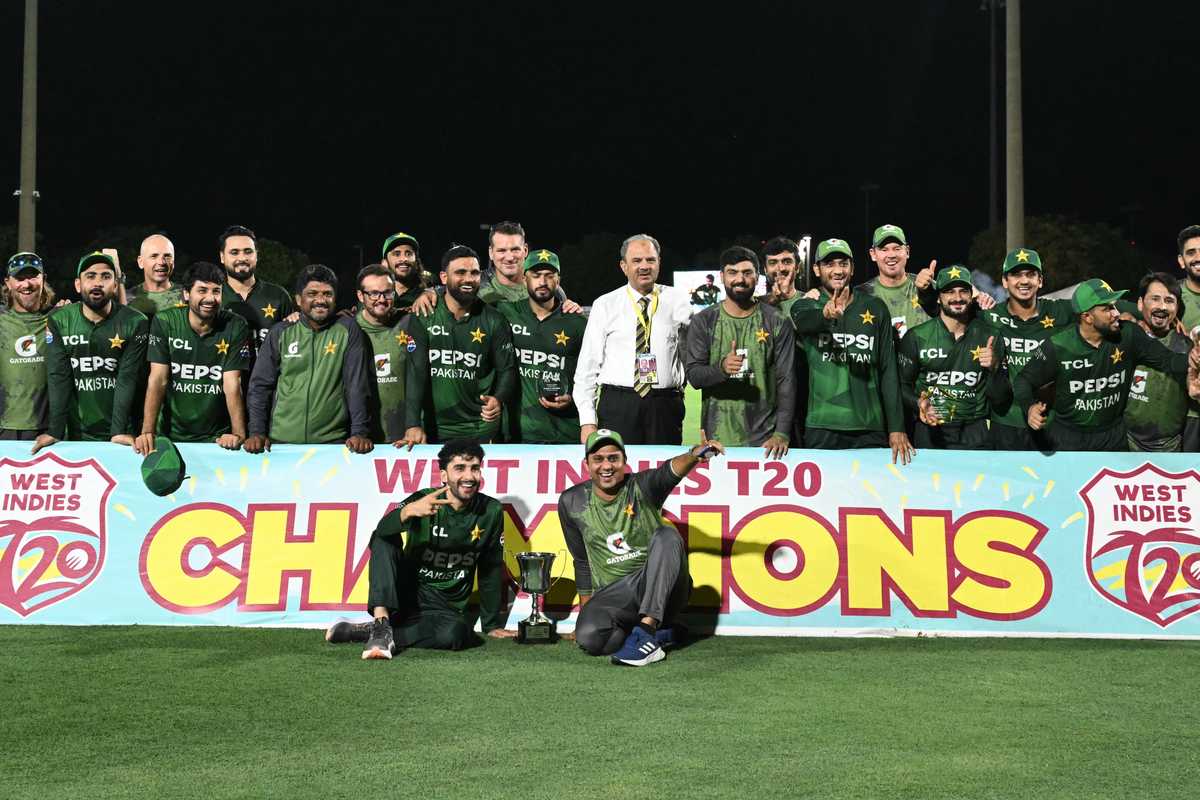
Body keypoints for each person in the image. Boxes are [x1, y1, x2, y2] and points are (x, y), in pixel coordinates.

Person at [326, 440, 513, 659]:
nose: (469, 477)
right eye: (459, 468)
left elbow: (490, 567)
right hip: (407, 593)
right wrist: (407, 512)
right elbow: (382, 531)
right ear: (444, 475)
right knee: (383, 538)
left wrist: (491, 625)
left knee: (457, 635)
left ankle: (375, 632)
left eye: (475, 468)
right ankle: (381, 619)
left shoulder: (491, 510)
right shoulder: (422, 499)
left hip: (444, 608)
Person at [561, 428, 724, 666]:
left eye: (613, 458)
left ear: (624, 461)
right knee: (591, 639)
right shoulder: (571, 501)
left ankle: (646, 632)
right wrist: (584, 615)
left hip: (662, 588)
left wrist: (694, 455)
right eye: (598, 459)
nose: (606, 466)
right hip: (617, 596)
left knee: (667, 536)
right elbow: (582, 561)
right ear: (586, 464)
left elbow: (670, 471)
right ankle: (661, 635)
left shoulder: (643, 485)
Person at [1013, 279, 1199, 452]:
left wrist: (1193, 359)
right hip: (1069, 439)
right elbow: (1023, 380)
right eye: (1107, 308)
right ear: (1087, 316)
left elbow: (1169, 360)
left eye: (1115, 306)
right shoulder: (1058, 345)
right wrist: (1029, 407)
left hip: (1113, 438)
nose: (1116, 313)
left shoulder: (1129, 335)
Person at [790, 238, 914, 464]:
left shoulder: (875, 307)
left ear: (852, 268)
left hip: (870, 426)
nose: (838, 270)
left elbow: (888, 369)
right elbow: (805, 322)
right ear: (817, 269)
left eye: (843, 263)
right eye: (829, 264)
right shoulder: (806, 304)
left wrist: (896, 427)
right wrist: (825, 316)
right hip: (823, 425)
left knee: (870, 497)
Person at [574, 233, 693, 445]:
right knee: (618, 473)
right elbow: (587, 367)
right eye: (636, 261)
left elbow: (695, 347)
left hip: (665, 404)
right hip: (618, 404)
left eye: (650, 259)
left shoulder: (678, 300)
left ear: (659, 263)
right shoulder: (605, 304)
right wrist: (588, 422)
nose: (644, 266)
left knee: (665, 473)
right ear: (624, 266)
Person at [244, 265, 372, 453]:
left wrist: (360, 432)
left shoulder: (348, 330)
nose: (320, 300)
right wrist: (256, 431)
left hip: (332, 444)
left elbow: (357, 386)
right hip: (280, 444)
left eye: (327, 294)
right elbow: (260, 386)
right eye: (312, 293)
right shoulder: (280, 332)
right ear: (298, 299)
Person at [33, 252, 149, 453]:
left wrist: (118, 431)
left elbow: (127, 378)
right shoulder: (59, 320)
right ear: (78, 284)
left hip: (121, 432)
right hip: (75, 433)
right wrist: (55, 431)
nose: (97, 283)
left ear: (115, 285)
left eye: (106, 277)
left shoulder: (135, 322)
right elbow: (58, 377)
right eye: (90, 276)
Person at [685, 246, 794, 457]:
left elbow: (786, 380)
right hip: (717, 441)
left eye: (747, 273)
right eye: (732, 273)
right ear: (722, 276)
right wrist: (722, 370)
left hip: (766, 442)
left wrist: (782, 432)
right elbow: (694, 377)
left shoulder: (777, 321)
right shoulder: (704, 321)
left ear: (757, 276)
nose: (740, 279)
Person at [133, 261, 252, 454]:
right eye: (202, 290)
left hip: (217, 438)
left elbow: (232, 383)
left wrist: (238, 434)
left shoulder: (235, 325)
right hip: (170, 436)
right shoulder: (165, 321)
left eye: (216, 291)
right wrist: (147, 431)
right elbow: (158, 380)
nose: (210, 298)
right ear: (187, 294)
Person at [410, 245, 516, 442]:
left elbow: (507, 369)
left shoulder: (494, 319)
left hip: (479, 429)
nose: (468, 279)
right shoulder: (424, 315)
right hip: (432, 430)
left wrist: (498, 398)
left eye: (474, 273)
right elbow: (415, 372)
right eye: (460, 272)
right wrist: (412, 423)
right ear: (443, 277)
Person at [898, 266, 1009, 450]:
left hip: (976, 432)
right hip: (930, 430)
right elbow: (901, 385)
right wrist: (919, 403)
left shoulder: (989, 335)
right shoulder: (917, 337)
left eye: (963, 291)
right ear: (938, 298)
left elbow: (1001, 399)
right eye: (949, 291)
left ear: (971, 296)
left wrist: (995, 367)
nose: (957, 298)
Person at [495, 249, 587, 443]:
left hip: (564, 434)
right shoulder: (505, 313)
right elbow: (463, 300)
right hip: (517, 434)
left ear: (558, 280)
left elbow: (591, 376)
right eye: (536, 276)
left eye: (549, 276)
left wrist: (572, 398)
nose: (543, 282)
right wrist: (429, 293)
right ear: (523, 278)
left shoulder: (577, 322)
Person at [353, 264, 427, 447]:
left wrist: (432, 292)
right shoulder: (348, 329)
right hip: (362, 439)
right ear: (360, 296)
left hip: (406, 438)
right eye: (374, 293)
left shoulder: (410, 322)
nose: (381, 299)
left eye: (387, 293)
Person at [1124, 273, 1193, 452]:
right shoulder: (1124, 338)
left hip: (1168, 446)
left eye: (1169, 301)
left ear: (1177, 308)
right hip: (1125, 440)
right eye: (1155, 299)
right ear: (1140, 304)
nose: (1162, 307)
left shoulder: (1186, 347)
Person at [0, 252, 56, 440]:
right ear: (8, 282)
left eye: (32, 276)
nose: (27, 284)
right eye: (19, 278)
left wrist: (118, 280)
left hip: (48, 430)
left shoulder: (60, 319)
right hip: (3, 427)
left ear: (43, 279)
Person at [218, 225, 295, 352]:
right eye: (234, 252)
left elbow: (291, 343)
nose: (242, 258)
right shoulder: (212, 297)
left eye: (248, 251)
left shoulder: (278, 296)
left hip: (267, 372)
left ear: (257, 255)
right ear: (222, 257)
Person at [857, 224, 936, 338]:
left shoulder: (928, 287)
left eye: (897, 249)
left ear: (907, 251)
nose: (891, 255)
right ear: (873, 254)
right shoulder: (860, 294)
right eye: (884, 249)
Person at [1175, 224, 1200, 450]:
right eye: (1191, 252)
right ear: (1182, 261)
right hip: (1190, 412)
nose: (1198, 257)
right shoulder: (1171, 299)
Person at [126, 234, 184, 318]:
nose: (161, 262)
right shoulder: (127, 298)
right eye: (154, 256)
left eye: (167, 256)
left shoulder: (187, 296)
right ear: (140, 262)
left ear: (173, 262)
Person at [380, 231, 431, 313]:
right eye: (397, 254)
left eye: (409, 254)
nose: (404, 259)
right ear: (384, 263)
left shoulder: (428, 296)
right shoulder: (373, 297)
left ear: (417, 261)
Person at [762, 236, 802, 317]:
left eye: (787, 262)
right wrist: (772, 302)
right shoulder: (753, 305)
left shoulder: (809, 300)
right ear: (765, 269)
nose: (781, 268)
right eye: (773, 262)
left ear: (797, 267)